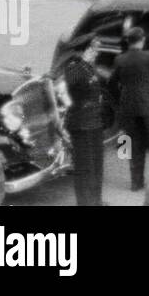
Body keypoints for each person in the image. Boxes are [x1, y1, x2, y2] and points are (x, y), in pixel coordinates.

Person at [108, 26, 149, 191]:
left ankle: (136, 183)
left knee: (133, 145)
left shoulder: (120, 59)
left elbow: (111, 84)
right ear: (142, 40)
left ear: (128, 42)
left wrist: (119, 102)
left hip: (128, 108)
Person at [61, 35, 106, 206]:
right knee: (85, 169)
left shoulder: (88, 67)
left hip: (95, 122)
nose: (96, 53)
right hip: (81, 125)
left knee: (97, 166)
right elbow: (67, 86)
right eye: (94, 49)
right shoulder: (74, 68)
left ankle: (96, 201)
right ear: (84, 50)